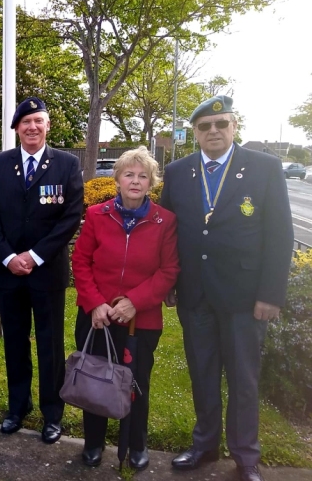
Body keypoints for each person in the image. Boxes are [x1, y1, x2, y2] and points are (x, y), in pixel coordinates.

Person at [161, 96, 293, 481]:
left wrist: (270, 294)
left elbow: (280, 235)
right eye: (205, 126)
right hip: (195, 295)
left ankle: (245, 455)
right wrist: (170, 283)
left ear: (234, 126)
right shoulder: (178, 170)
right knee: (202, 375)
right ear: (195, 133)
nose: (214, 131)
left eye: (222, 123)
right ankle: (204, 446)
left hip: (245, 297)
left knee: (243, 379)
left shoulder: (264, 168)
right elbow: (168, 233)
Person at [0, 97, 84, 444]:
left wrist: (35, 256)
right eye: (25, 122)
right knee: (14, 342)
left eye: (38, 121)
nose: (32, 127)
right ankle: (17, 406)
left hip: (47, 273)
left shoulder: (67, 164)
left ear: (47, 125)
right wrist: (10, 257)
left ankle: (52, 414)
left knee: (50, 345)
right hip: (9, 272)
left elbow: (71, 216)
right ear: (16, 129)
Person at [71, 146, 179, 469]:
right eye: (129, 174)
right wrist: (94, 304)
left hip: (141, 322)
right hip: (97, 318)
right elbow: (80, 260)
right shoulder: (96, 215)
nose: (135, 181)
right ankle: (94, 443)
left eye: (142, 176)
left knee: (136, 383)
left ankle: (136, 443)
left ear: (151, 183)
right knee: (95, 380)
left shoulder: (165, 222)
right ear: (117, 178)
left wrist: (136, 302)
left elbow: (169, 270)